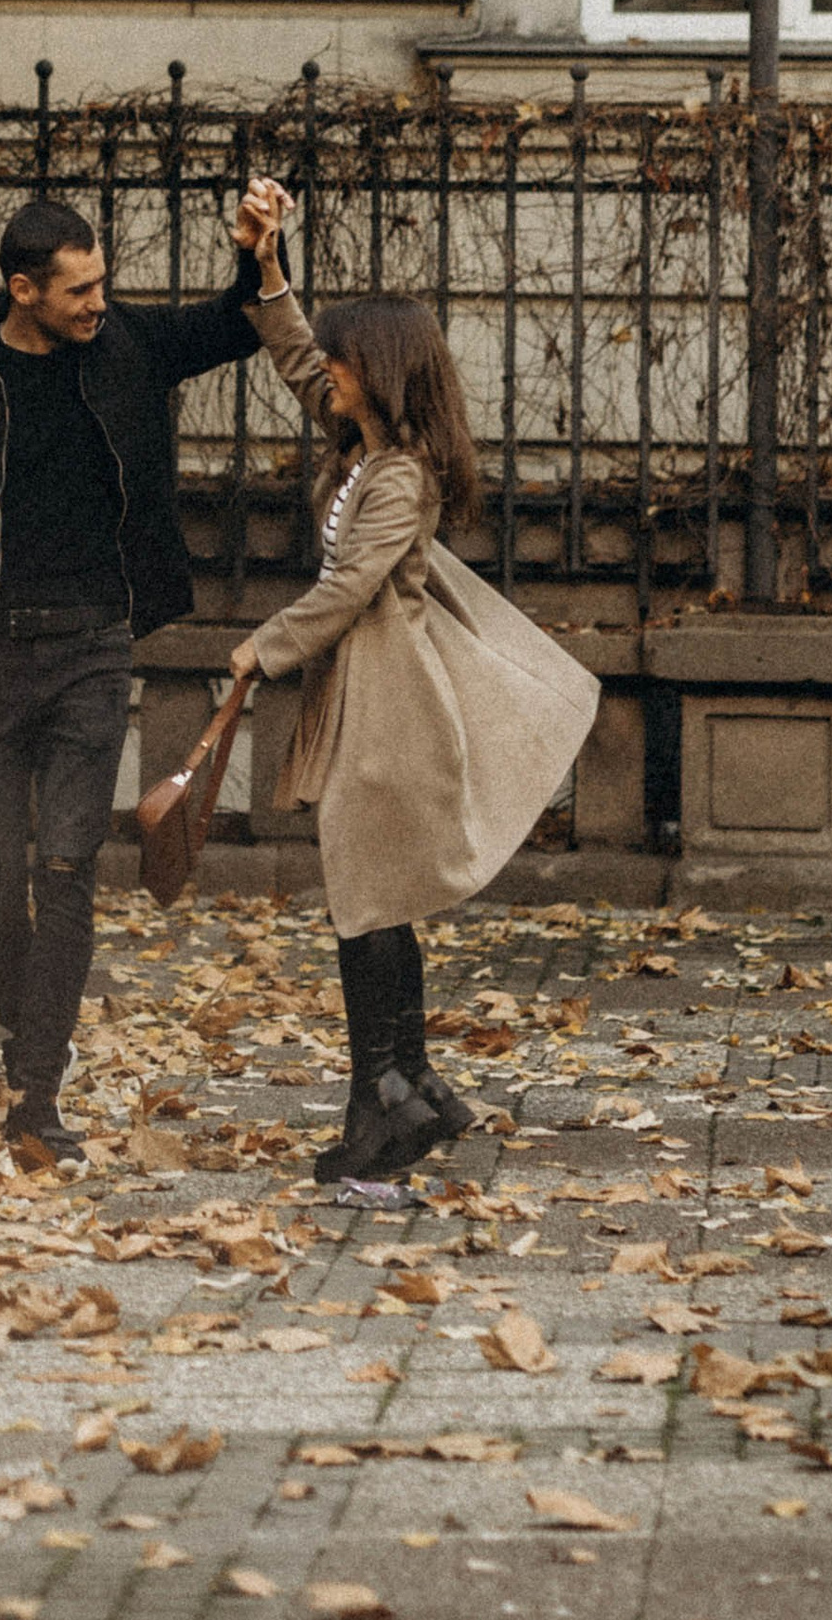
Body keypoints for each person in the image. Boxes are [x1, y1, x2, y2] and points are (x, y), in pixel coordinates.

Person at [0, 179, 289, 1168]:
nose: (99, 303)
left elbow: (235, 326)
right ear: (22, 290)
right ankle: (32, 1048)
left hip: (94, 649)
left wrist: (257, 254)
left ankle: (34, 1094)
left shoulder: (125, 349)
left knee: (64, 871)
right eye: (77, 291)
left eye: (103, 282)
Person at [233, 210, 599, 1192]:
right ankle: (406, 1083)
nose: (331, 376)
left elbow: (348, 588)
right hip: (370, 699)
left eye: (349, 363)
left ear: (384, 374)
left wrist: (257, 652)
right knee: (374, 897)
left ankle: (383, 1101)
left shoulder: (397, 478)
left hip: (387, 710)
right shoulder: (367, 451)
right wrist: (266, 270)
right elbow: (301, 363)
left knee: (364, 897)